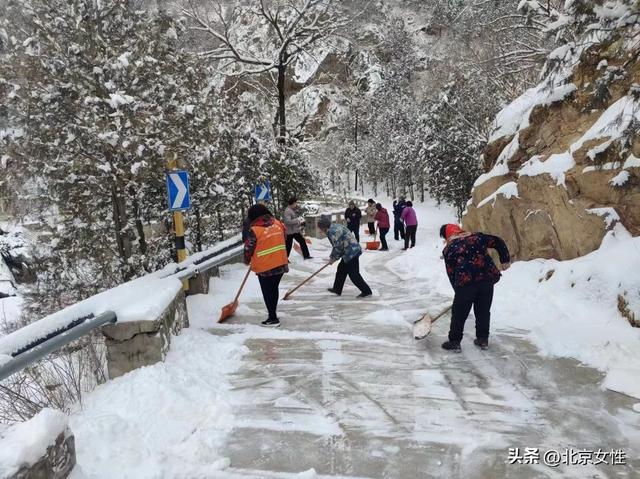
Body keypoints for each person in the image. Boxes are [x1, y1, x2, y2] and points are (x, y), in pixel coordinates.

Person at [439, 224, 511, 352]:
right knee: (483, 311)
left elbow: (451, 273)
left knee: (459, 314)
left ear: (447, 235)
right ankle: (482, 340)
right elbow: (498, 241)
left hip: (466, 284)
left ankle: (455, 342)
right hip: (486, 280)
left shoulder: (449, 249)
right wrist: (504, 260)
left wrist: (459, 293)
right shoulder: (477, 237)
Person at [244, 204, 289, 327]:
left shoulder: (255, 230)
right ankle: (273, 314)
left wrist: (247, 260)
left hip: (265, 267)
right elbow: (285, 238)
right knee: (273, 290)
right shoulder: (278, 224)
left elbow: (248, 248)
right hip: (280, 263)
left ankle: (273, 318)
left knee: (267, 292)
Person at [317, 215, 372, 298]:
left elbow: (338, 247)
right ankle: (337, 289)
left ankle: (366, 291)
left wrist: (333, 258)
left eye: (320, 228)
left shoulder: (332, 232)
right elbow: (338, 245)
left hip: (351, 252)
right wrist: (333, 257)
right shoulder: (333, 227)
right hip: (349, 251)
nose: (320, 230)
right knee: (341, 270)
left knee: (354, 274)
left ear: (324, 227)